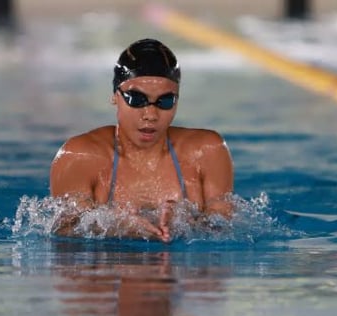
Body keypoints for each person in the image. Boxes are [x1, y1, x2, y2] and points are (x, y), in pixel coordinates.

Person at [50, 38, 234, 242]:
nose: (151, 114)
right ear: (115, 95)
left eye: (165, 101)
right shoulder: (80, 156)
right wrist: (119, 227)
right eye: (137, 99)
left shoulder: (207, 151)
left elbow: (225, 229)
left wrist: (187, 224)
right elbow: (64, 236)